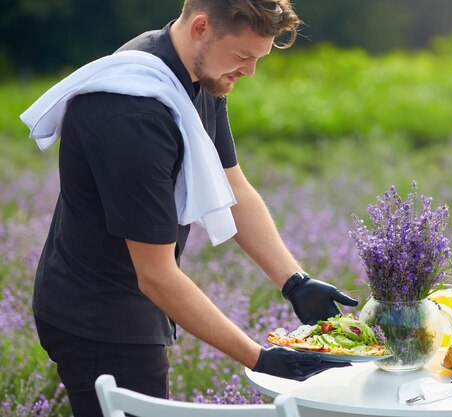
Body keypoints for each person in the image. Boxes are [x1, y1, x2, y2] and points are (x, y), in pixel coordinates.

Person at [20, 1, 359, 416]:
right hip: (99, 316)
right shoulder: (135, 112)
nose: (250, 71)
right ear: (201, 27)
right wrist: (260, 358)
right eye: (243, 56)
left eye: (258, 58)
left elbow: (234, 186)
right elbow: (157, 276)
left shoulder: (199, 73)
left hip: (134, 297)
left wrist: (295, 282)